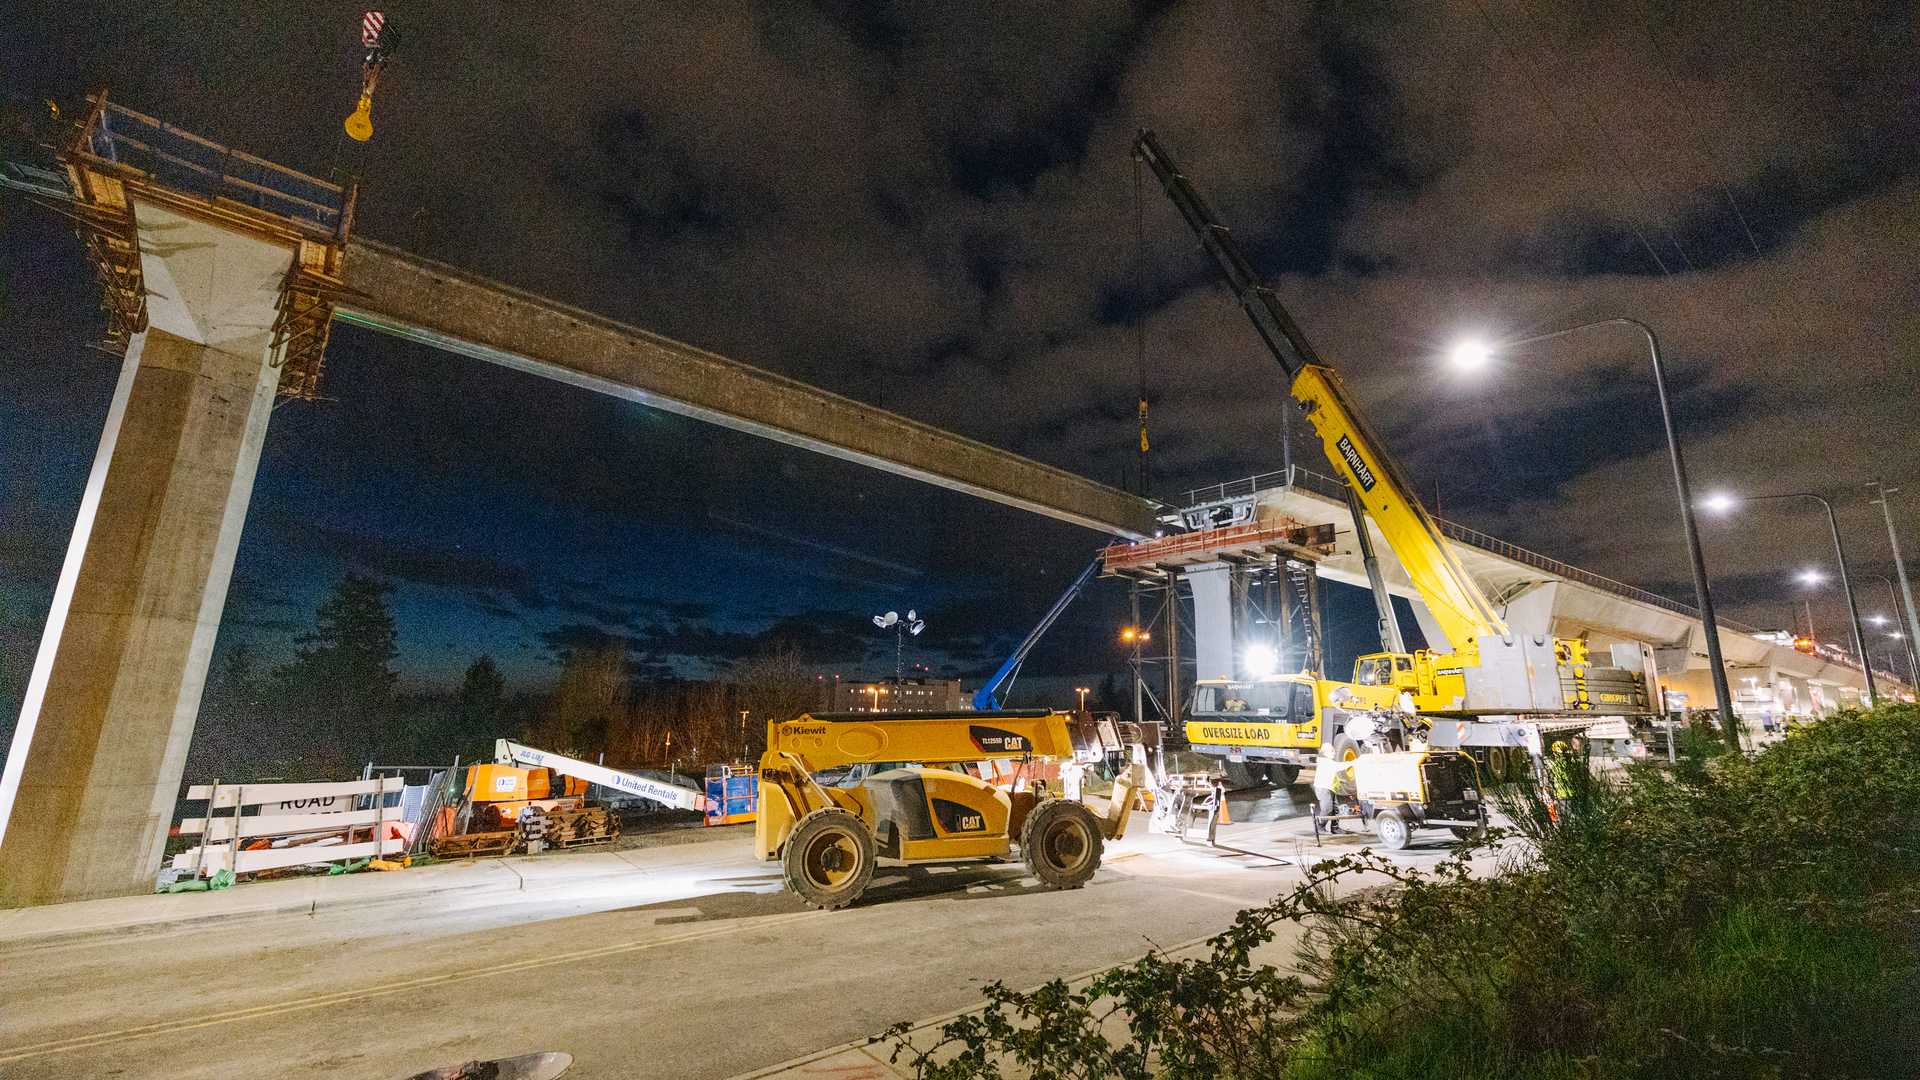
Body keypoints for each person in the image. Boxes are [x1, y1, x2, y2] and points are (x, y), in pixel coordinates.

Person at [1312, 744, 1353, 833]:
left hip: (1329, 789)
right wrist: (1353, 762)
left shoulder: (1327, 762)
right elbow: (1338, 766)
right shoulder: (1325, 762)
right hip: (1322, 789)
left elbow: (1328, 774)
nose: (1334, 752)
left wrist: (1339, 780)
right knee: (1327, 809)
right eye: (1332, 750)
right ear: (1325, 752)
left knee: (1335, 809)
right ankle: (1320, 828)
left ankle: (1335, 828)